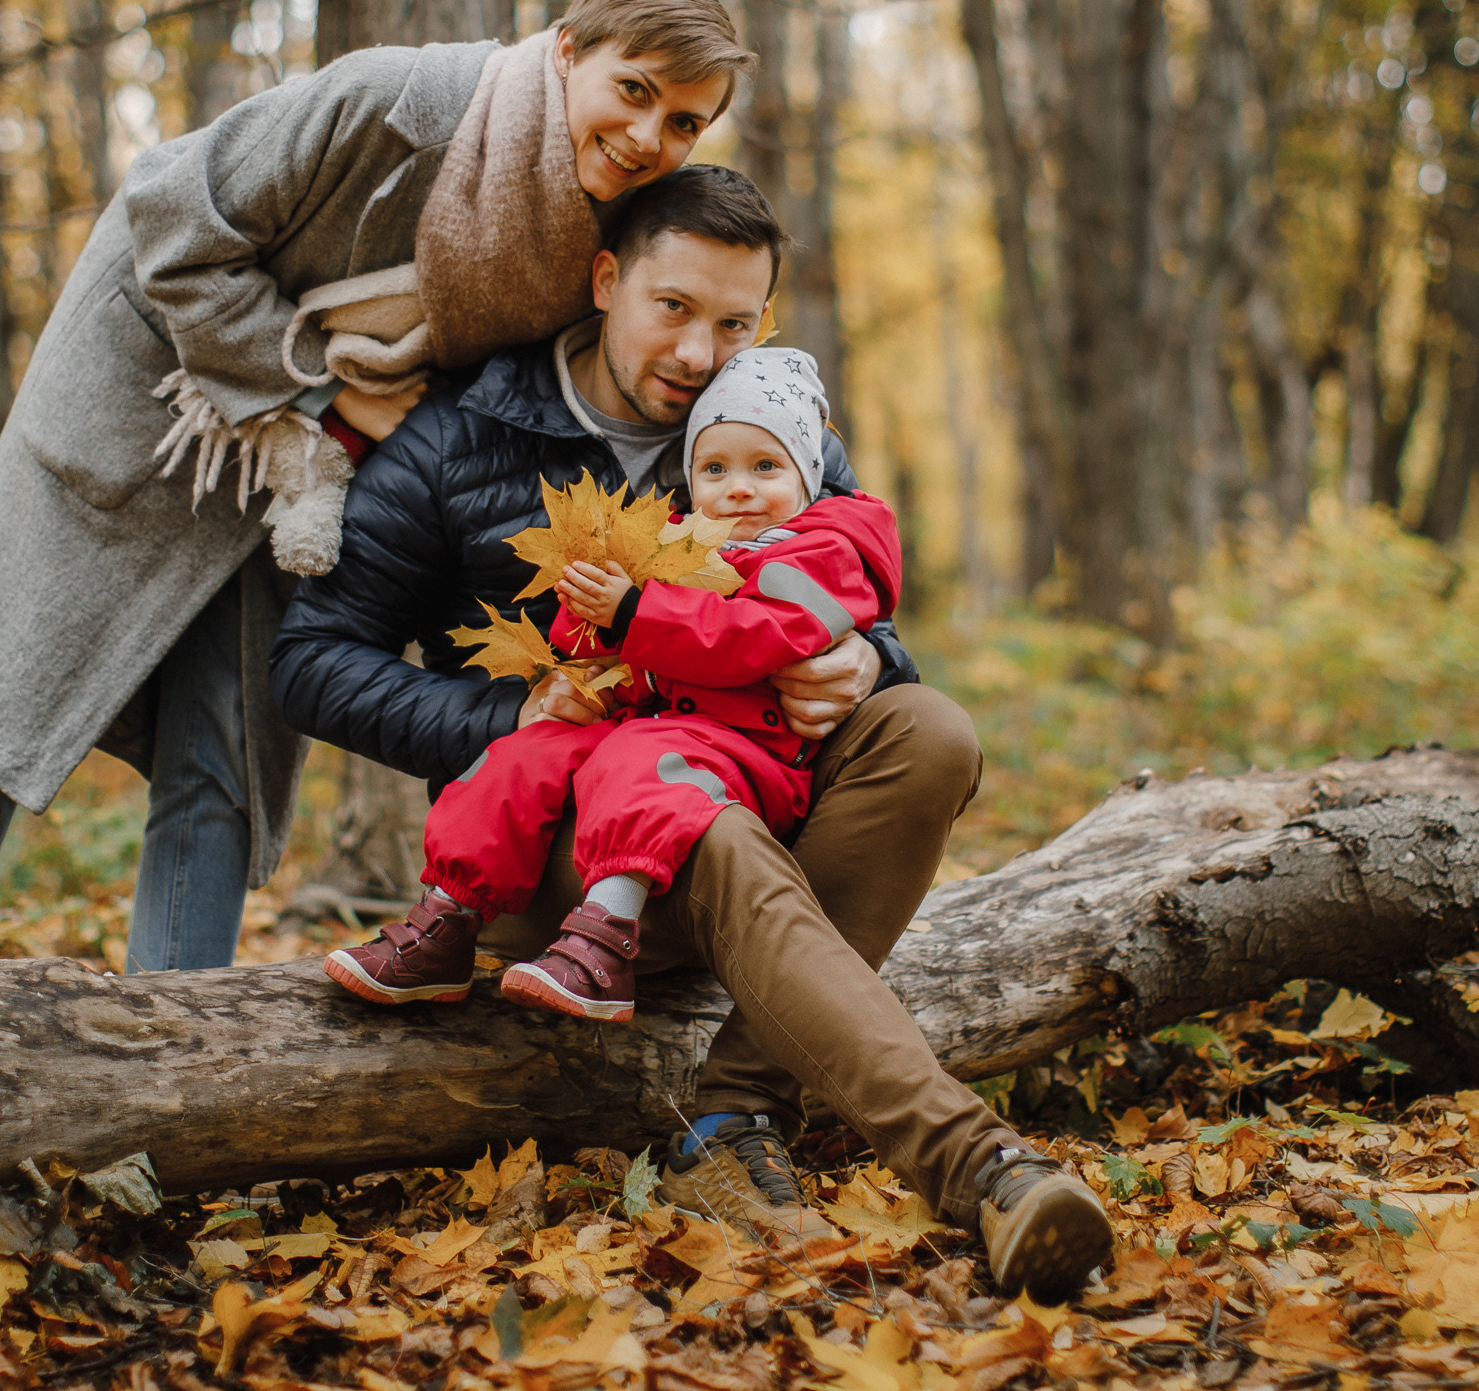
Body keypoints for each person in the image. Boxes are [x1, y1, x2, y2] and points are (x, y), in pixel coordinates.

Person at [272, 164, 1115, 1303]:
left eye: (732, 321)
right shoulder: (456, 439)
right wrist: (506, 711)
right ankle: (978, 1167)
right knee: (694, 813)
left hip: (747, 775)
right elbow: (310, 662)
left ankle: (729, 1112)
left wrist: (871, 663)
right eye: (672, 308)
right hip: (554, 847)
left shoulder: (770, 425)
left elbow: (842, 598)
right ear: (608, 280)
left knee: (931, 731)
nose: (696, 350)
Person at [0, 0, 754, 971]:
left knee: (225, 757)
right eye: (633, 90)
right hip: (160, 407)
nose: (649, 137)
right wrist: (318, 393)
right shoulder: (400, 101)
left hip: (312, 482)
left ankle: (175, 1060)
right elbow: (169, 211)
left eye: (684, 122)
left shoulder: (605, 232)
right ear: (565, 51)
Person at [324, 348, 901, 1024]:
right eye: (715, 469)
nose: (738, 487)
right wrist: (590, 619)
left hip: (745, 749)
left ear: (807, 475)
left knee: (640, 767)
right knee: (522, 753)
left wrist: (633, 613)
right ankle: (447, 917)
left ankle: (603, 940)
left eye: (764, 467)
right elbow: (610, 645)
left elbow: (750, 641)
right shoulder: (680, 543)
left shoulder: (823, 551)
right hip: (646, 721)